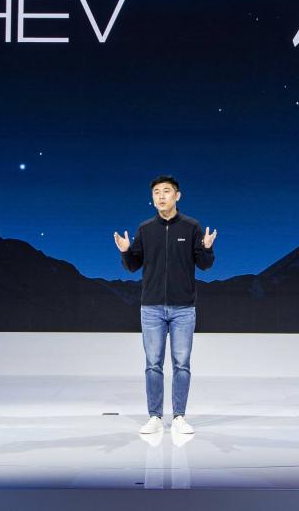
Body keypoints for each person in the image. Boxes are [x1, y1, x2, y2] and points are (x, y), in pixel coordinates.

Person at [114, 175, 216, 435]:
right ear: (152, 198)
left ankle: (179, 416)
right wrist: (125, 251)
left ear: (177, 196)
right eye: (156, 192)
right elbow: (133, 266)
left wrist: (206, 248)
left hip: (184, 308)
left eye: (166, 191)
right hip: (151, 308)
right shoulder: (145, 229)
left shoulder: (191, 227)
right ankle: (155, 417)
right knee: (153, 364)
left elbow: (204, 265)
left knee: (181, 364)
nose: (161, 196)